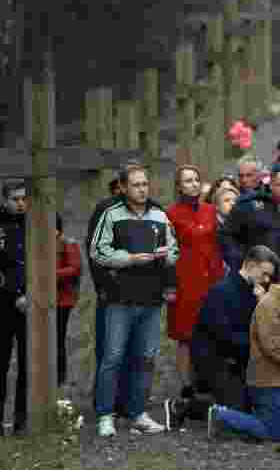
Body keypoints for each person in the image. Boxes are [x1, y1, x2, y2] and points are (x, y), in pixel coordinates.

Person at [91, 164, 180, 437]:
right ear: (124, 187)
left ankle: (138, 413)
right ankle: (106, 414)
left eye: (145, 184)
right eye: (137, 185)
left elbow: (175, 249)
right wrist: (128, 259)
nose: (143, 189)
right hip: (120, 298)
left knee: (147, 357)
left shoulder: (159, 214)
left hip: (152, 299)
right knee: (113, 356)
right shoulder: (111, 214)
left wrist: (167, 255)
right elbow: (97, 251)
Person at [166, 246, 279, 429]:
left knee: (255, 407)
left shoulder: (256, 292)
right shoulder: (222, 291)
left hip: (240, 357)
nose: (266, 280)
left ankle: (221, 407)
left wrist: (263, 305)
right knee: (238, 411)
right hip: (216, 359)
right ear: (250, 265)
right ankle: (182, 407)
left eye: (269, 276)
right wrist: (257, 345)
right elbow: (223, 336)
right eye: (264, 274)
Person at [208, 256, 280, 442]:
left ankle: (243, 421)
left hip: (278, 380)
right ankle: (222, 416)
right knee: (278, 433)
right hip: (266, 381)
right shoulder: (270, 304)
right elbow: (271, 346)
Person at [165, 165, 224, 408]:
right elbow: (168, 251)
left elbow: (217, 243)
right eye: (188, 181)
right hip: (185, 280)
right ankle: (186, 385)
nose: (193, 184)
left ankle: (209, 380)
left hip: (211, 278)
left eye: (196, 180)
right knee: (185, 336)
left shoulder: (211, 211)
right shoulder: (171, 214)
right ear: (179, 186)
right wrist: (169, 284)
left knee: (213, 332)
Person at [0, 181, 30, 434]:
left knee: (27, 363)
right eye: (15, 199)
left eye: (24, 198)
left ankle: (22, 420)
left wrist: (31, 294)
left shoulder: (37, 223)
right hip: (4, 304)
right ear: (5, 200)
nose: (20, 204)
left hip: (32, 304)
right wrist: (14, 295)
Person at [55, 213, 81, 388]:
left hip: (61, 300)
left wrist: (50, 275)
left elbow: (75, 268)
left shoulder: (67, 243)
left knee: (57, 338)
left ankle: (59, 376)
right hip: (42, 299)